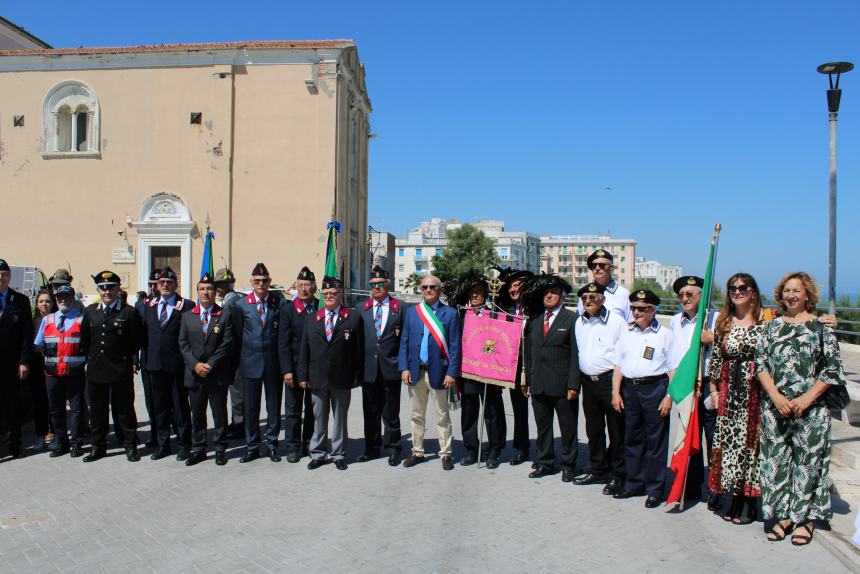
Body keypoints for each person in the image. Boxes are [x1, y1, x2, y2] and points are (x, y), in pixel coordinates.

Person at [755, 272, 848, 546]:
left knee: (808, 465)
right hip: (776, 408)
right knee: (777, 462)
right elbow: (761, 365)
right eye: (787, 291)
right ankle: (783, 516)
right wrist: (775, 396)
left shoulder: (821, 328)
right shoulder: (771, 328)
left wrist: (806, 399)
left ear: (807, 295)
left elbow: (832, 370)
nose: (791, 295)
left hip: (812, 409)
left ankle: (804, 519)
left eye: (797, 290)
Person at [706, 273, 766, 524]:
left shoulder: (767, 320)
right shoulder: (724, 322)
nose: (738, 291)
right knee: (731, 448)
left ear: (753, 291)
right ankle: (734, 497)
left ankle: (749, 501)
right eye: (733, 288)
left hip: (755, 393)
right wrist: (714, 391)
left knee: (752, 447)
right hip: (729, 392)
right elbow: (717, 361)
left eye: (743, 287)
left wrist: (825, 319)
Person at [611, 289, 676, 508]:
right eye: (633, 308)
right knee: (632, 438)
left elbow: (673, 369)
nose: (636, 312)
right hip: (630, 389)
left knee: (655, 441)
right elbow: (618, 364)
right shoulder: (627, 332)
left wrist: (669, 397)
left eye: (641, 308)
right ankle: (634, 483)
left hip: (654, 388)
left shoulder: (665, 335)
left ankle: (655, 489)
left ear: (653, 309)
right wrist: (615, 392)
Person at [298, 276, 363, 470]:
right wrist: (302, 376)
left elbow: (358, 349)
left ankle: (338, 454)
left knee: (340, 418)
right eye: (325, 294)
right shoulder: (312, 319)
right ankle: (318, 452)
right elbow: (304, 349)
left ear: (340, 295)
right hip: (317, 377)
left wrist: (357, 375)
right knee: (319, 417)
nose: (329, 296)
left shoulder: (351, 317)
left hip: (342, 377)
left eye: (333, 293)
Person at [79, 270, 144, 462]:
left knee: (124, 409)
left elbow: (138, 340)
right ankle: (98, 447)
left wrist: (125, 356)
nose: (106, 292)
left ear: (118, 289)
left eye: (111, 288)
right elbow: (85, 340)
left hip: (119, 368)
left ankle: (130, 445)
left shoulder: (128, 312)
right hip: (97, 369)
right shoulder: (90, 312)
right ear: (99, 290)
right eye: (103, 288)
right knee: (97, 410)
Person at [398, 274, 461, 471]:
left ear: (439, 289)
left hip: (440, 373)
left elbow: (455, 346)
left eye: (432, 287)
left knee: (442, 415)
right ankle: (417, 451)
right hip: (416, 372)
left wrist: (452, 373)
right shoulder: (412, 312)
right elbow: (405, 342)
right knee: (416, 415)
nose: (428, 290)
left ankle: (446, 454)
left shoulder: (450, 314)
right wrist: (404, 368)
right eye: (424, 286)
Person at [521, 274, 581, 481]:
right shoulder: (535, 321)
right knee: (543, 427)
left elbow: (576, 355)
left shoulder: (572, 320)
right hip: (538, 384)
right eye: (546, 293)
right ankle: (545, 462)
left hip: (563, 385)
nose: (549, 296)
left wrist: (574, 384)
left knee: (568, 428)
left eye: (553, 293)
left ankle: (568, 465)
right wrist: (526, 380)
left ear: (562, 297)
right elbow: (529, 353)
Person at [668, 275, 719, 509]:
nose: (684, 299)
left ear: (702, 295)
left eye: (690, 294)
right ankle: (691, 486)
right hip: (687, 383)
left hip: (710, 383)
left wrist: (713, 339)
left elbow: (732, 346)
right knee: (690, 436)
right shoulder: (675, 321)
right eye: (681, 296)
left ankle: (715, 489)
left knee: (713, 437)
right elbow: (674, 356)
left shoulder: (715, 318)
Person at [232, 262, 290, 463]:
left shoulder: (279, 303)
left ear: (270, 282)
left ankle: (272, 445)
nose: (261, 284)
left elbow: (283, 335)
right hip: (250, 363)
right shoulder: (241, 305)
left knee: (273, 406)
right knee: (250, 408)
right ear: (251, 282)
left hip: (273, 364)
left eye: (265, 281)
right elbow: (239, 335)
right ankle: (252, 446)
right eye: (257, 281)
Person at [573, 282, 627, 495]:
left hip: (609, 382)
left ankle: (617, 474)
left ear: (603, 299)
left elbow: (622, 357)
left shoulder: (616, 321)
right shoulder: (580, 322)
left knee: (616, 431)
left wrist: (616, 391)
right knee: (593, 430)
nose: (588, 301)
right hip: (588, 382)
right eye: (585, 298)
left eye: (593, 297)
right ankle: (597, 469)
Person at [449, 271, 506, 469]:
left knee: (493, 411)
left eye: (479, 292)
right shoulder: (461, 314)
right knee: (470, 411)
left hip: (491, 371)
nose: (475, 295)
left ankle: (495, 450)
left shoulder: (496, 313)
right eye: (472, 292)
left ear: (486, 294)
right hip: (469, 371)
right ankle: (472, 449)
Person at [178, 273, 233, 466]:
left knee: (219, 413)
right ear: (197, 292)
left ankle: (220, 448)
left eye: (209, 289)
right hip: (195, 374)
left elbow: (227, 343)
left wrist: (210, 364)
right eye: (202, 289)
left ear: (215, 291)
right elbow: (183, 344)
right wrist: (195, 365)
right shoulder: (187, 316)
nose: (206, 292)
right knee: (197, 413)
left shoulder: (224, 314)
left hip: (215, 373)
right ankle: (199, 448)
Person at [144, 267, 194, 462]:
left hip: (177, 366)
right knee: (160, 407)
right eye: (162, 282)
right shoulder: (148, 306)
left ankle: (184, 444)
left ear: (175, 285)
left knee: (180, 407)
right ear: (156, 285)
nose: (165, 285)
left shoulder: (186, 306)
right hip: (155, 365)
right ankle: (163, 444)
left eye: (169, 282)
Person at [357, 266, 404, 466]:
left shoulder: (400, 308)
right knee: (370, 411)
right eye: (373, 285)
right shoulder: (361, 308)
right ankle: (372, 448)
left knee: (391, 412)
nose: (376, 288)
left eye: (380, 284)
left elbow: (405, 341)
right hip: (369, 369)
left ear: (388, 285)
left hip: (391, 368)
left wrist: (404, 367)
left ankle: (394, 448)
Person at [34, 285, 86, 457]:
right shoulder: (47, 320)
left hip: (75, 373)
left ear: (73, 298)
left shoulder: (81, 319)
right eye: (60, 297)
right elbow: (38, 344)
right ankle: (61, 443)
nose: (63, 300)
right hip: (52, 374)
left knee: (77, 410)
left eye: (67, 297)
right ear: (57, 299)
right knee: (56, 410)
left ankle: (77, 443)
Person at [278, 266, 317, 462]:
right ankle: (292, 446)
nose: (304, 289)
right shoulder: (288, 310)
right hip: (293, 368)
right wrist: (286, 371)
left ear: (314, 287)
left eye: (307, 285)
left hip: (313, 369)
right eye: (300, 285)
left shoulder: (320, 307)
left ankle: (309, 443)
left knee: (312, 410)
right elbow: (283, 343)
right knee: (293, 411)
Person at [495, 267, 534, 465]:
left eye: (518, 285)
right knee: (519, 410)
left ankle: (547, 450)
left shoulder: (537, 310)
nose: (514, 289)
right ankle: (522, 447)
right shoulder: (506, 311)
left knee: (542, 411)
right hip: (516, 369)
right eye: (511, 286)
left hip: (537, 367)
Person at [0, 258, 33, 460]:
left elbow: (27, 334)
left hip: (11, 364)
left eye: (4, 275)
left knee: (12, 404)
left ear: (9, 276)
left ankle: (15, 445)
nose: (1, 279)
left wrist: (24, 361)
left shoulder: (19, 300)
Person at [213, 267, 244, 440]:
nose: (218, 288)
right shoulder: (235, 300)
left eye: (220, 285)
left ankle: (240, 425)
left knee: (237, 393)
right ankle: (237, 422)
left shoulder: (231, 303)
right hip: (234, 354)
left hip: (234, 355)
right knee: (236, 392)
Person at [135, 268, 161, 448]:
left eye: (156, 284)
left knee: (171, 401)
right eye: (151, 285)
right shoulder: (141, 305)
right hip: (148, 359)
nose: (154, 288)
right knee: (151, 399)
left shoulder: (177, 304)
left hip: (168, 359)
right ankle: (155, 432)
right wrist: (134, 359)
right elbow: (135, 334)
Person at [29, 289, 56, 451]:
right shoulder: (32, 321)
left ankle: (54, 433)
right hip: (37, 365)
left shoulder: (58, 319)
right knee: (39, 401)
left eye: (47, 301)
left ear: (52, 303)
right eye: (41, 301)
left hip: (54, 365)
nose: (44, 304)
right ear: (37, 303)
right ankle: (41, 434)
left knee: (54, 400)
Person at [577, 249, 630, 321]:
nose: (597, 268)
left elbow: (630, 324)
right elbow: (579, 320)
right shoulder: (585, 293)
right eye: (594, 265)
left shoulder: (623, 294)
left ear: (611, 267)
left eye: (602, 265)